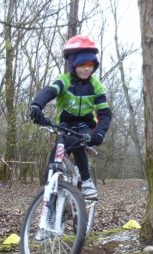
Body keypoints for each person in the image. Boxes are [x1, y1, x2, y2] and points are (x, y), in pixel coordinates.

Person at [29, 35, 112, 200]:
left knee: (78, 143)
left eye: (90, 65)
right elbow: (50, 91)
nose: (87, 69)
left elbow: (105, 113)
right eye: (82, 64)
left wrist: (99, 134)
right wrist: (37, 105)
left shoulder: (96, 86)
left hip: (85, 126)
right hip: (65, 124)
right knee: (54, 158)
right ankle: (50, 194)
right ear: (73, 64)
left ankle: (87, 181)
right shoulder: (64, 81)